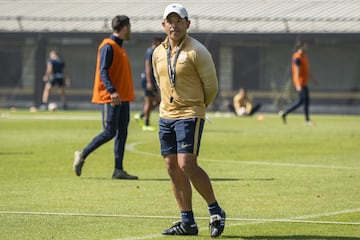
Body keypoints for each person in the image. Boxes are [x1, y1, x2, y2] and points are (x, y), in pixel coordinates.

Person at [152, 3, 226, 237]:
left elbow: (211, 87)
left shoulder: (197, 51)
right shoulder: (158, 53)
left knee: (187, 164)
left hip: (190, 114)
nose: (174, 25)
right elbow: (159, 82)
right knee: (172, 168)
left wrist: (197, 107)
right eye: (170, 21)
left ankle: (215, 211)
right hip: (166, 115)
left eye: (179, 21)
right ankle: (188, 222)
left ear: (188, 24)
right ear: (164, 25)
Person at [73, 15, 138, 180]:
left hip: (123, 98)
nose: (130, 30)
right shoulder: (108, 46)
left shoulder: (120, 47)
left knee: (122, 132)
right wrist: (112, 91)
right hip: (112, 97)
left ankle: (118, 170)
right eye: (129, 26)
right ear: (124, 27)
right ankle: (82, 154)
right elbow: (103, 71)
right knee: (110, 132)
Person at [279, 41, 318, 125]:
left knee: (303, 102)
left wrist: (313, 79)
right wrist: (298, 85)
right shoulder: (297, 57)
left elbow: (306, 71)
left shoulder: (304, 56)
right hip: (300, 83)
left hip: (304, 83)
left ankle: (286, 114)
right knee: (303, 101)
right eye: (305, 46)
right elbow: (296, 72)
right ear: (300, 47)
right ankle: (305, 120)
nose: (306, 47)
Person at [134, 37, 163, 131]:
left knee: (158, 100)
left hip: (151, 81)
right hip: (148, 81)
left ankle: (141, 115)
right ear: (156, 42)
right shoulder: (150, 52)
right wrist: (149, 82)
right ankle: (146, 123)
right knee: (149, 101)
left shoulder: (154, 52)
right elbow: (147, 67)